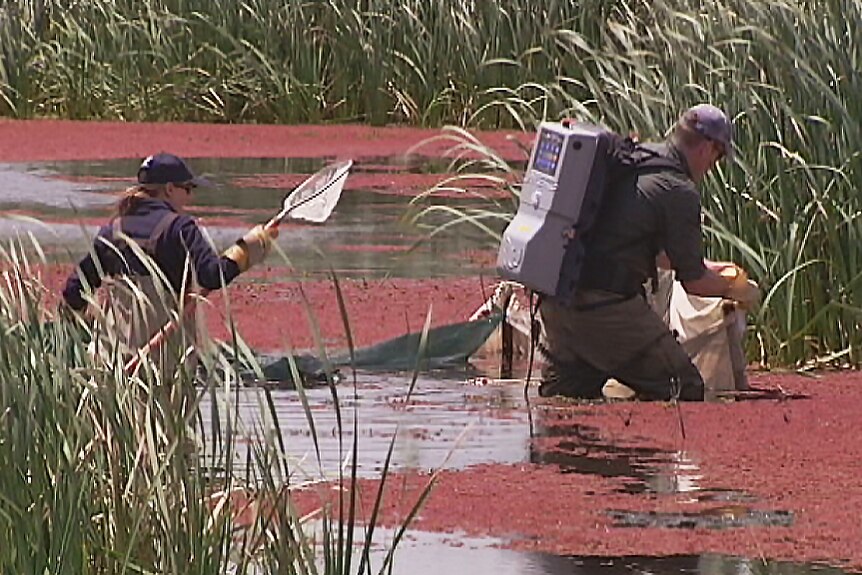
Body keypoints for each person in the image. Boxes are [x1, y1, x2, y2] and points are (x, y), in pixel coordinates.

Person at [538, 104, 760, 401]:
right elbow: (694, 283)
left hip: (556, 298)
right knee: (683, 388)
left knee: (566, 399)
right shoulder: (678, 190)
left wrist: (709, 267)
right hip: (602, 307)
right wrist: (739, 289)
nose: (713, 165)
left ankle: (572, 446)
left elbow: (648, 251)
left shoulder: (635, 159)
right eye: (719, 156)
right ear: (708, 148)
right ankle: (640, 445)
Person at [61, 152, 276, 376]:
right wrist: (247, 249)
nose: (189, 197)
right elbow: (212, 276)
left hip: (113, 364)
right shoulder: (180, 228)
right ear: (170, 189)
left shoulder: (111, 231)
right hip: (165, 366)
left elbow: (73, 292)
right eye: (188, 189)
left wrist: (96, 322)